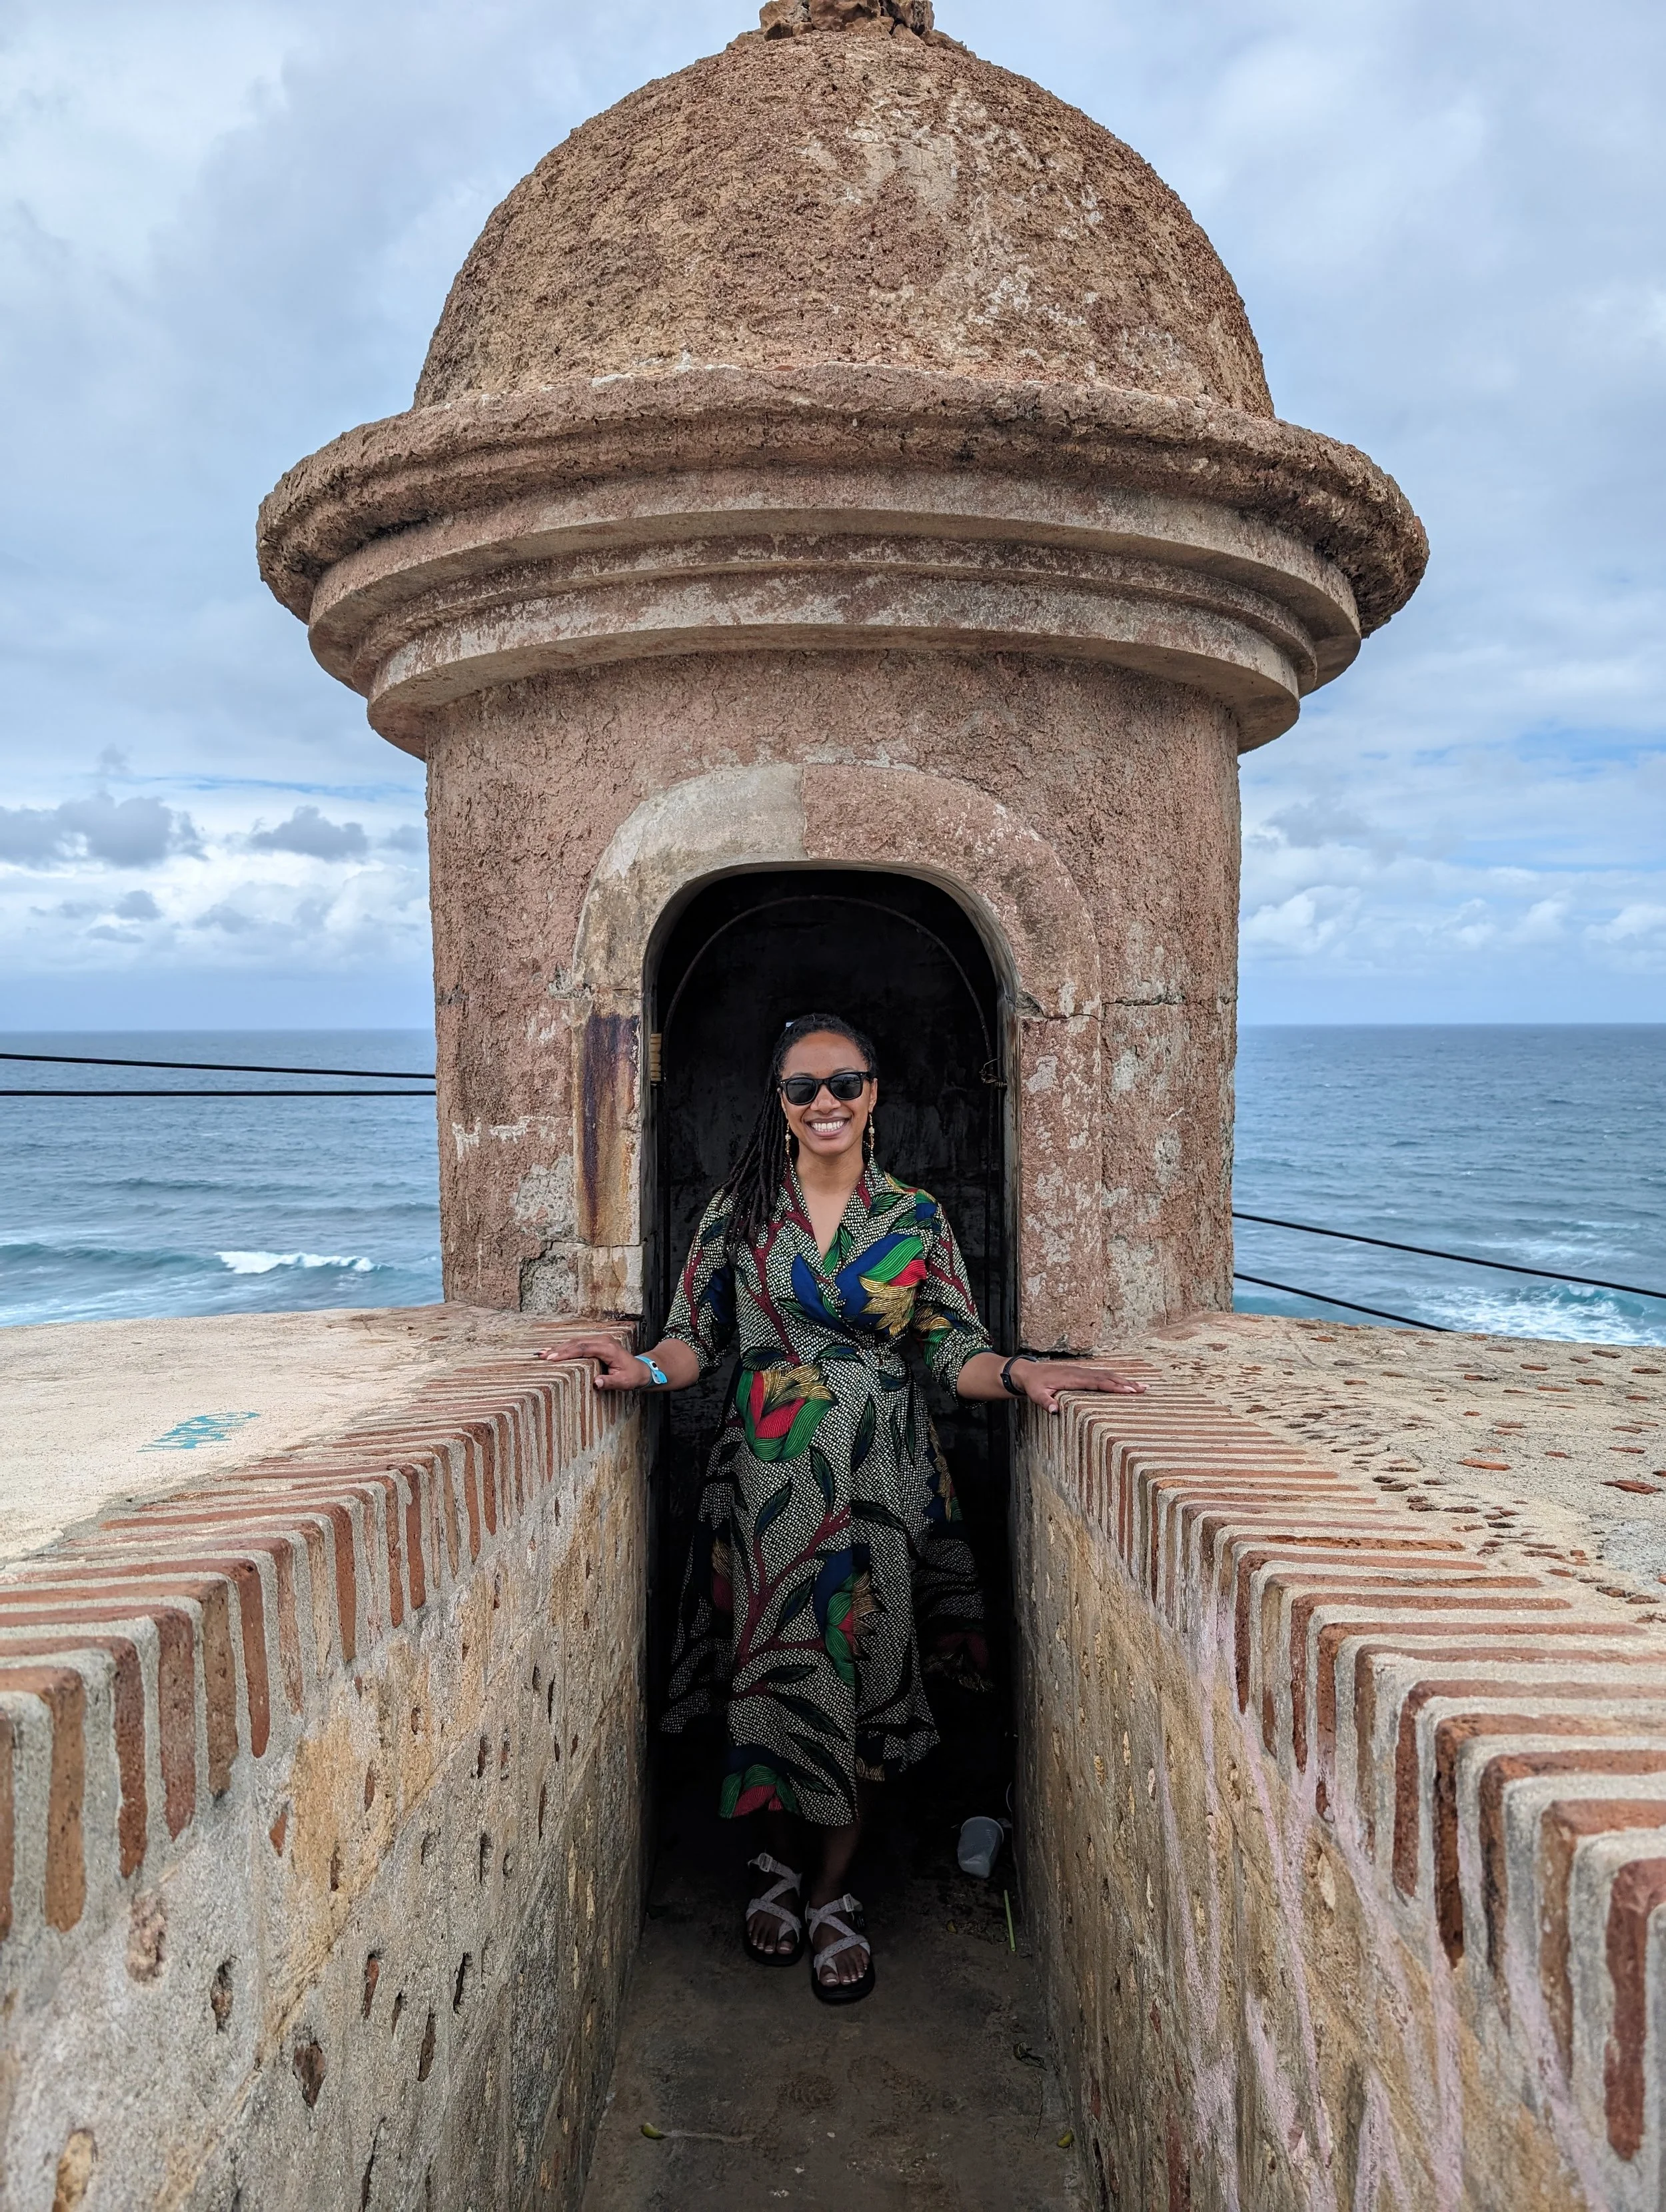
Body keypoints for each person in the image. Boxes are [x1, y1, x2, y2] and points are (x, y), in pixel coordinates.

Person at [544, 1011, 1144, 2005]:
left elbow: (955, 1351)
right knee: (774, 1676)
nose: (827, 1102)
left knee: (860, 1679)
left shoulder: (915, 1219)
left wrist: (1029, 1373)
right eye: (803, 1088)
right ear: (778, 1106)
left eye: (846, 1083)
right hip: (767, 1488)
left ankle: (830, 1893)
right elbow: (699, 1339)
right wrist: (642, 1366)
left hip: (878, 1484)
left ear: (876, 1095)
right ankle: (778, 1867)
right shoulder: (739, 1214)